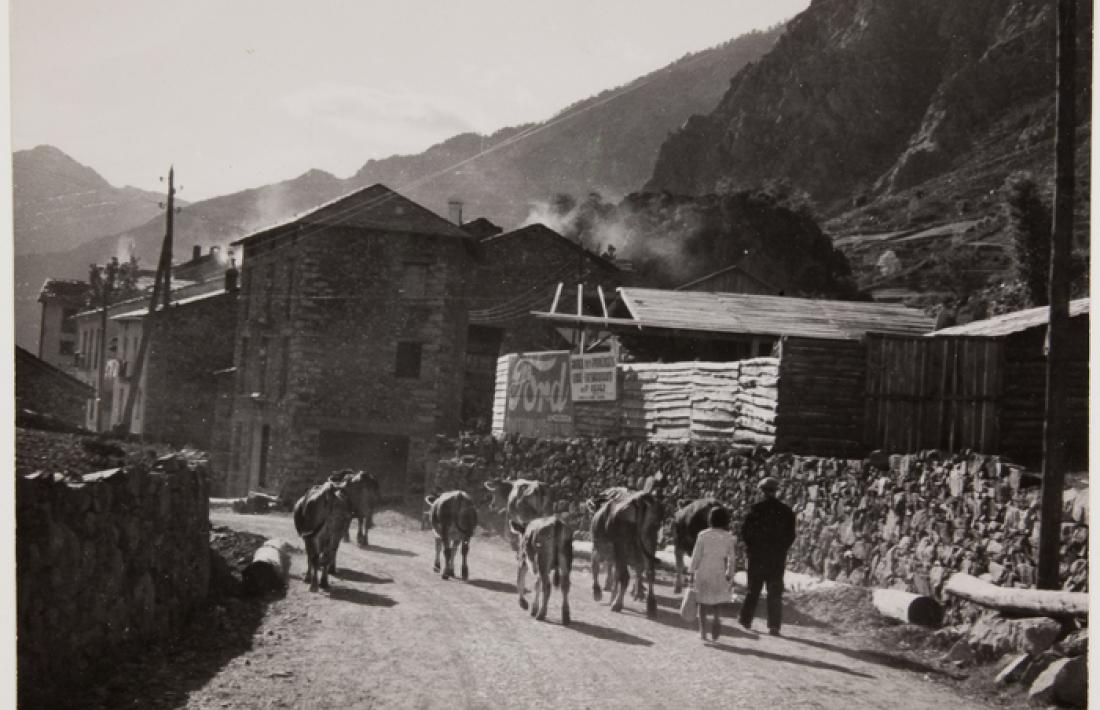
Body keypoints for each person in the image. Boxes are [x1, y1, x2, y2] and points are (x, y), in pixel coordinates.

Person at [739, 476, 796, 636]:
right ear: (775, 491)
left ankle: (746, 620)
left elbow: (745, 532)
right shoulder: (786, 511)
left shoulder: (756, 509)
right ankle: (774, 626)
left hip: (757, 557)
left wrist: (752, 549)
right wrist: (780, 550)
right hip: (776, 558)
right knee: (775, 592)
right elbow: (790, 535)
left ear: (762, 491)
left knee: (753, 589)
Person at [689, 505, 737, 642]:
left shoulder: (703, 535)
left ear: (710, 519)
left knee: (702, 602)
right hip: (719, 570)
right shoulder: (728, 537)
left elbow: (696, 555)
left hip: (703, 570)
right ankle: (716, 619)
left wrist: (691, 572)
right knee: (717, 601)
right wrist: (730, 573)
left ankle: (703, 633)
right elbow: (732, 558)